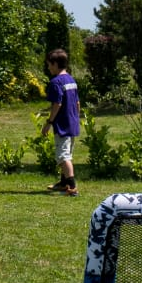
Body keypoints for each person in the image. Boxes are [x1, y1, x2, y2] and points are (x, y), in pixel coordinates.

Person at [42, 48, 80, 196]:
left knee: (63, 156)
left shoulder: (56, 82)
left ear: (56, 63)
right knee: (67, 153)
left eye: (49, 65)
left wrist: (49, 122)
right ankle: (63, 183)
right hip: (72, 123)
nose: (48, 68)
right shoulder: (71, 80)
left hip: (62, 125)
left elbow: (57, 104)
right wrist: (75, 118)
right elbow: (77, 103)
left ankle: (72, 187)